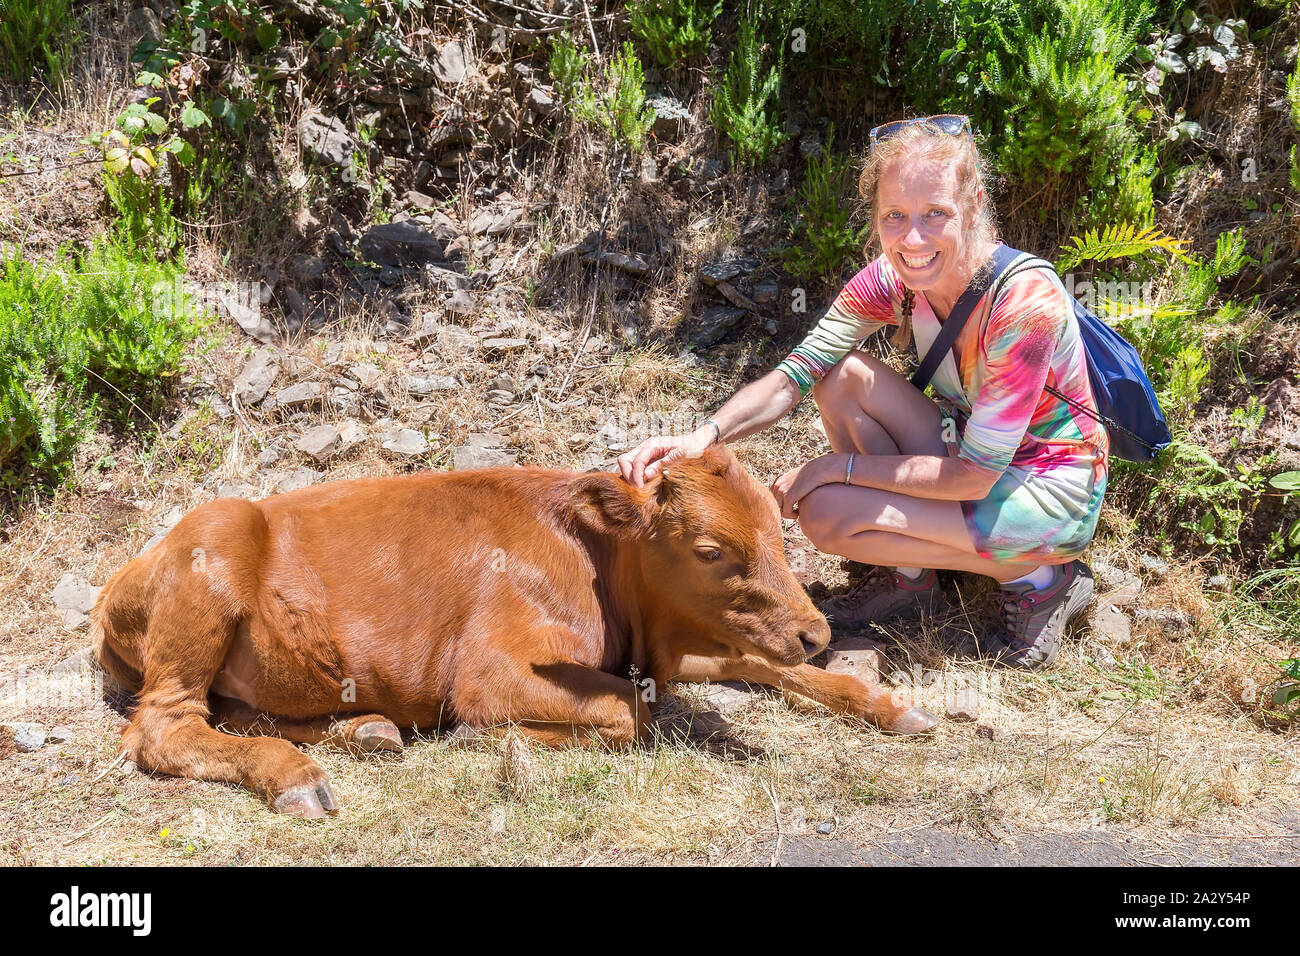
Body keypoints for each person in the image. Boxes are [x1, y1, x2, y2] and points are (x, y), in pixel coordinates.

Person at [618, 114, 1107, 670]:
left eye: (935, 214)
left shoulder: (1025, 304)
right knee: (840, 375)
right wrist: (700, 437)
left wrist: (834, 469)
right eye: (895, 216)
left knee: (827, 514)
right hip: (967, 449)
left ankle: (1040, 577)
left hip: (1049, 485)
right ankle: (910, 579)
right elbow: (795, 375)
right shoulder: (894, 279)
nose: (913, 238)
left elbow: (976, 476)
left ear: (973, 204)